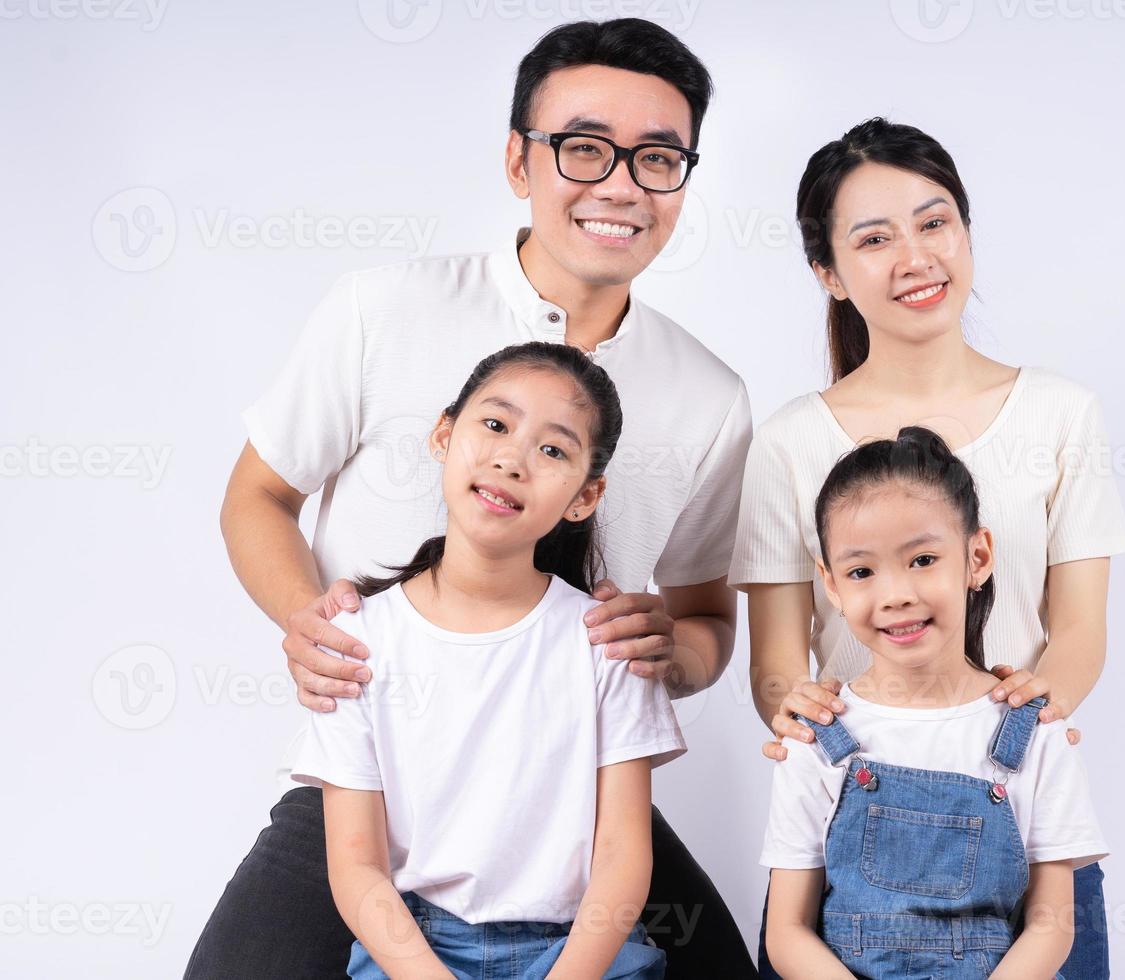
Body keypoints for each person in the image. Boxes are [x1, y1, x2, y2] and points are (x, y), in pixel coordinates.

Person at [186, 19, 757, 978]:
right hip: (371, 779)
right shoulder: (383, 307)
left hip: (565, 798)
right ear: (516, 159)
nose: (621, 184)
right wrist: (311, 625)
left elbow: (705, 620)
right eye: (584, 148)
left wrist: (674, 654)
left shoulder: (710, 394)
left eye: (658, 159)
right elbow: (257, 495)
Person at [730, 118, 1125, 978]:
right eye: (874, 239)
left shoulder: (1061, 414)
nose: (914, 256)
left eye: (934, 221)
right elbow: (775, 664)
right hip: (851, 818)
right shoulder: (790, 442)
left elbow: (1082, 633)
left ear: (967, 232)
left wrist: (1006, 728)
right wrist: (799, 716)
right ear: (829, 274)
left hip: (1022, 824)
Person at [296, 342, 682, 979]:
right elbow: (358, 866)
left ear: (586, 496)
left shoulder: (606, 640)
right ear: (444, 436)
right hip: (416, 948)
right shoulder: (358, 641)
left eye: (552, 449)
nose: (511, 458)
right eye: (496, 425)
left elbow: (621, 859)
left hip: (578, 949)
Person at [761, 427, 1108, 978]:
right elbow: (786, 931)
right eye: (861, 571)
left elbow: (1052, 924)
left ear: (977, 557)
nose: (895, 593)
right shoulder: (815, 738)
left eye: (922, 559)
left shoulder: (1035, 733)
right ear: (831, 586)